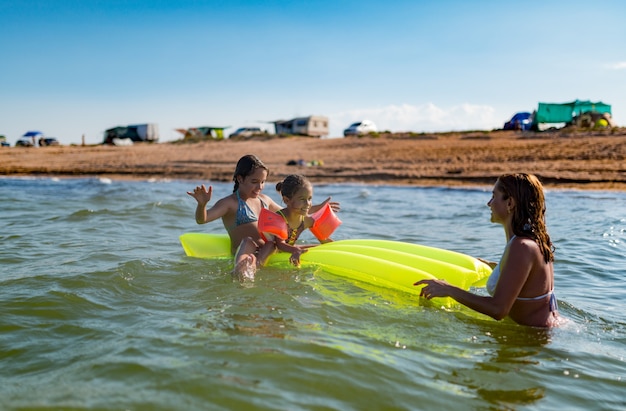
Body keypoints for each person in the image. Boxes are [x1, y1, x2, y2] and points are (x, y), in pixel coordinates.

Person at [415, 173, 560, 328]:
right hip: (546, 336)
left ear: (510, 203)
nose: (489, 203)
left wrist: (448, 289)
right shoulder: (533, 241)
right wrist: (489, 265)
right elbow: (527, 278)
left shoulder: (521, 246)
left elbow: (498, 309)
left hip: (534, 338)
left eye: (494, 196)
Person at [186, 155, 338, 280]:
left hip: (270, 249)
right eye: (254, 182)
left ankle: (335, 251)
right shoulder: (230, 203)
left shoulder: (264, 200)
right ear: (240, 179)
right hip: (246, 249)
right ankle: (240, 273)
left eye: (263, 182)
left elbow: (292, 211)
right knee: (248, 241)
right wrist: (202, 205)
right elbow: (202, 220)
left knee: (300, 247)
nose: (259, 187)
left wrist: (320, 207)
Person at [256, 174, 338, 269]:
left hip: (291, 248)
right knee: (271, 245)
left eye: (309, 199)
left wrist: (336, 248)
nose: (308, 204)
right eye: (302, 199)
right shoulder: (280, 218)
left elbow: (324, 240)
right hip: (272, 250)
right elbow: (280, 244)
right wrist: (295, 250)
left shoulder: (306, 220)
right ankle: (257, 267)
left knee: (318, 247)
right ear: (287, 200)